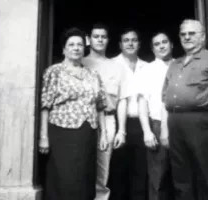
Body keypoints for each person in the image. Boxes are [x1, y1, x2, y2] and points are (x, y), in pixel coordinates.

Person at [162, 19, 208, 200]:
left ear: (202, 37)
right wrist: (165, 129)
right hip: (175, 122)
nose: (187, 37)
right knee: (181, 175)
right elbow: (165, 99)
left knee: (206, 173)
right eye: (183, 34)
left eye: (192, 33)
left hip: (202, 122)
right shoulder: (175, 64)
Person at [39, 27, 109, 200]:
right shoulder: (54, 71)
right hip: (62, 133)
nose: (76, 48)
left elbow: (100, 106)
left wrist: (103, 134)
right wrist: (43, 136)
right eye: (71, 44)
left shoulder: (93, 74)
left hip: (88, 134)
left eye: (79, 44)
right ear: (64, 49)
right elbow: (45, 106)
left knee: (84, 179)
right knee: (65, 179)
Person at [82, 23, 121, 200]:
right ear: (88, 40)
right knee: (80, 165)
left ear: (108, 40)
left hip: (108, 119)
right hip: (82, 120)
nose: (100, 39)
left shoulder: (115, 65)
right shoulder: (80, 62)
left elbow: (122, 99)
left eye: (103, 37)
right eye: (96, 36)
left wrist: (122, 130)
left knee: (102, 169)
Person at [110, 28, 150, 200]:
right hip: (117, 124)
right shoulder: (111, 64)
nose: (130, 43)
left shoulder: (147, 67)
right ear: (120, 44)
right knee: (118, 170)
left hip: (142, 124)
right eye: (126, 40)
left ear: (139, 44)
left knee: (141, 170)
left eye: (134, 40)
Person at [138, 32, 174, 200]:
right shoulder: (148, 69)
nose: (161, 46)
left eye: (164, 42)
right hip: (157, 124)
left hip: (182, 124)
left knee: (182, 175)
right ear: (153, 49)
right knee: (158, 177)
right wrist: (147, 131)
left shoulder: (182, 65)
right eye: (157, 44)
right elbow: (142, 101)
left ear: (171, 44)